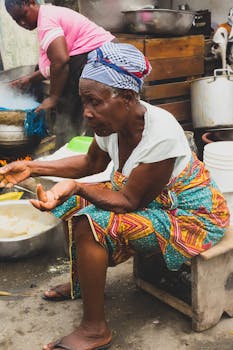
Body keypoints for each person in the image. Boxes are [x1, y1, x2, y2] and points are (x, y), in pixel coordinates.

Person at [0, 42, 230, 350]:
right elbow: (91, 163)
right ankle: (83, 282)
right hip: (149, 199)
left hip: (190, 217)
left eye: (93, 102)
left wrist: (80, 187)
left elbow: (129, 202)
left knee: (90, 223)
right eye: (84, 102)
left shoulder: (160, 134)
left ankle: (95, 329)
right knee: (70, 202)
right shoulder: (111, 124)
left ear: (127, 97)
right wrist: (32, 167)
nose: (87, 113)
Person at [5, 0, 116, 143]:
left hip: (102, 59)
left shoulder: (46, 21)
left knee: (70, 107)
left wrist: (53, 98)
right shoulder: (48, 15)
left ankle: (67, 148)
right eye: (17, 20)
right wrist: (29, 79)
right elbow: (54, 63)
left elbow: (61, 61)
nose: (22, 23)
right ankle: (79, 147)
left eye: (23, 15)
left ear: (32, 3)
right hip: (101, 57)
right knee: (93, 115)